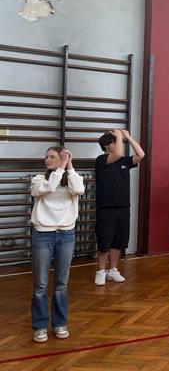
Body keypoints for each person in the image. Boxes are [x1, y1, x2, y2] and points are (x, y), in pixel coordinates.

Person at [30, 146, 85, 343]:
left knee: (61, 284)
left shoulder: (73, 180)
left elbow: (79, 189)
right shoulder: (39, 180)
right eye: (46, 156)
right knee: (40, 285)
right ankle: (40, 326)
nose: (47, 159)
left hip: (66, 235)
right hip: (42, 235)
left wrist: (69, 166)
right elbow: (47, 189)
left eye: (52, 156)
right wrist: (61, 167)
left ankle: (60, 323)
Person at [94, 130, 145, 286]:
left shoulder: (124, 161)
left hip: (123, 208)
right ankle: (101, 271)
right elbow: (117, 153)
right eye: (115, 142)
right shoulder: (101, 160)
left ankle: (112, 270)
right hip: (106, 209)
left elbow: (141, 154)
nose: (118, 144)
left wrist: (128, 136)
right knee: (104, 242)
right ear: (107, 146)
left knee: (118, 241)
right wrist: (117, 133)